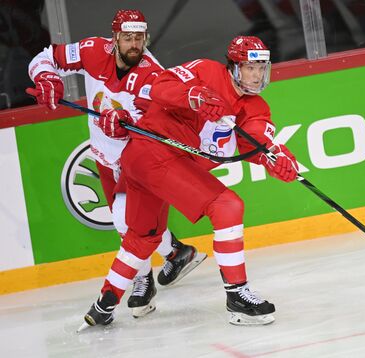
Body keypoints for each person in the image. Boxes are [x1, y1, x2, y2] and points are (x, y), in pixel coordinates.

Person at [82, 35, 298, 328]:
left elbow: (258, 142)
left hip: (153, 163)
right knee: (227, 206)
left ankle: (104, 304)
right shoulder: (207, 71)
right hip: (155, 151)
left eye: (262, 68)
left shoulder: (255, 106)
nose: (257, 75)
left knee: (143, 237)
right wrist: (192, 96)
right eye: (250, 67)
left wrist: (278, 160)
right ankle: (237, 298)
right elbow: (161, 86)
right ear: (234, 66)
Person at [25, 9, 206, 319]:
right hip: (105, 157)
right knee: (132, 223)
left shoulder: (153, 74)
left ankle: (142, 281)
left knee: (126, 222)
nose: (134, 44)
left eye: (139, 38)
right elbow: (45, 57)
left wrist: (128, 122)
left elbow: (160, 121)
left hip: (141, 159)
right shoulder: (93, 51)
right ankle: (176, 253)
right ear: (115, 38)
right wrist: (46, 76)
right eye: (127, 37)